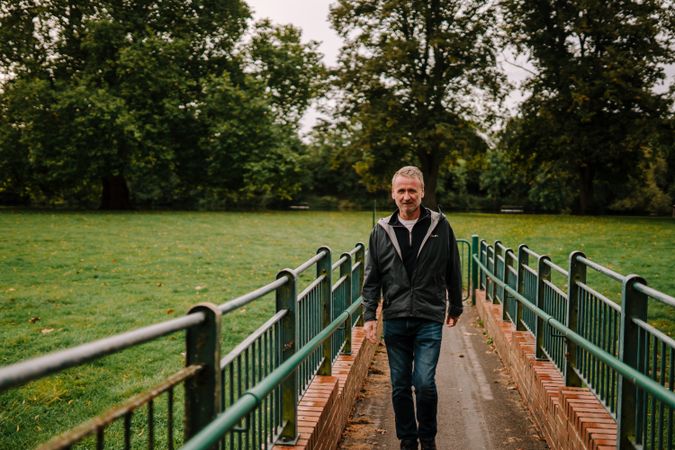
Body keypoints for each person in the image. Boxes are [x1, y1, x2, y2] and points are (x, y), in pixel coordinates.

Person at [362, 166, 463, 450]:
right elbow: (372, 277)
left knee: (425, 383)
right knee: (400, 385)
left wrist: (455, 306)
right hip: (395, 318)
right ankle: (407, 439)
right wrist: (370, 314)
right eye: (401, 191)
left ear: (422, 192)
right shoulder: (381, 230)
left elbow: (453, 267)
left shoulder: (440, 226)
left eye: (412, 191)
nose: (407, 197)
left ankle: (427, 438)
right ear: (393, 194)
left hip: (429, 316)